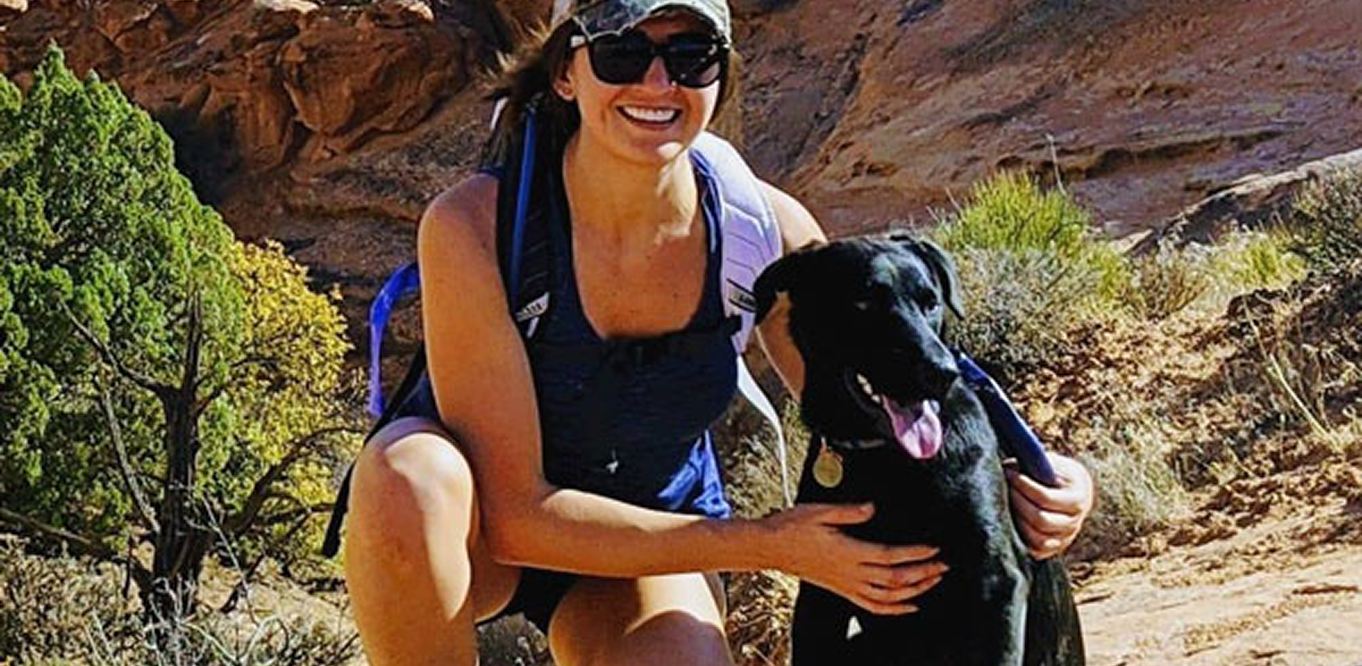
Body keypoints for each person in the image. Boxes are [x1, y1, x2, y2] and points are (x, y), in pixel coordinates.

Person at [341, 1, 1097, 664]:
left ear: (720, 77)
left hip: (653, 545)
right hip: (483, 542)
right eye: (623, 54)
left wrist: (1051, 474)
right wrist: (769, 543)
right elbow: (515, 518)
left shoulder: (759, 231)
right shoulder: (477, 227)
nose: (658, 84)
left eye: (691, 56)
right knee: (408, 480)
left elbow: (895, 387)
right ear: (566, 74)